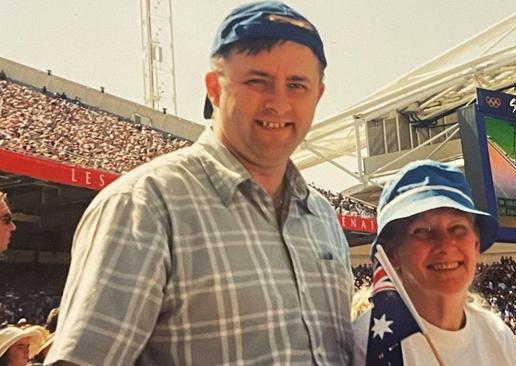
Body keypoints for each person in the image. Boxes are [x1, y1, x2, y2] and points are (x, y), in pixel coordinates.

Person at [46, 2, 352, 365]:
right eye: (258, 81)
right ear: (214, 89)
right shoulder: (145, 204)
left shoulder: (322, 216)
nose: (278, 102)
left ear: (317, 95)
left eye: (297, 85)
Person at [352, 160, 516, 365]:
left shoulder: (499, 338)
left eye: (458, 228)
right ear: (391, 253)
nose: (445, 245)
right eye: (422, 231)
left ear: (476, 242)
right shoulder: (366, 346)